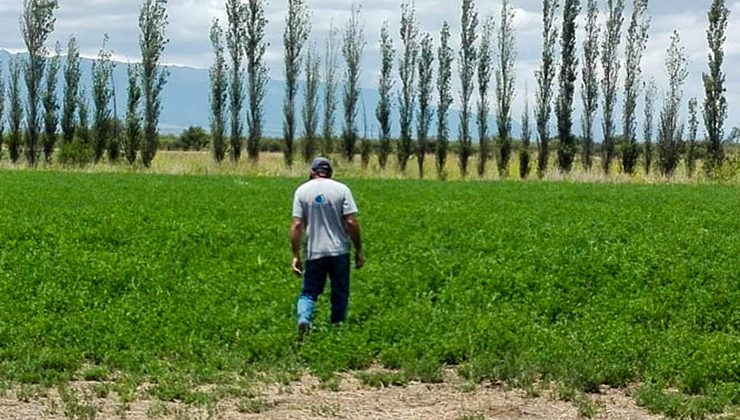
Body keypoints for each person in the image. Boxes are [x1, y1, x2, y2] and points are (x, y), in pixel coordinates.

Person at [290, 157, 364, 337]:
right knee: (340, 292)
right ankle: (337, 330)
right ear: (329, 172)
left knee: (308, 292)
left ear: (312, 172)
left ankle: (304, 319)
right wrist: (359, 250)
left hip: (314, 252)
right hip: (339, 251)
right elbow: (351, 222)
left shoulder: (302, 191)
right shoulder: (342, 189)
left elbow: (297, 225)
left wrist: (295, 255)